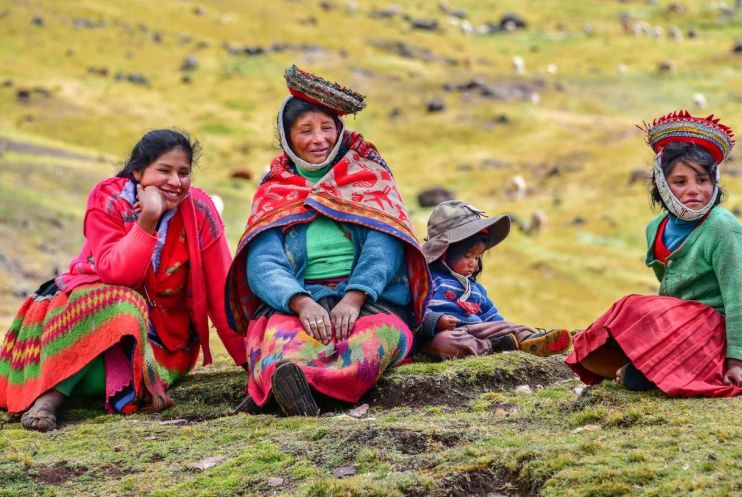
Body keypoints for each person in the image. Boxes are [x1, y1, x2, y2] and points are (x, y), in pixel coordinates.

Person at [0, 129, 246, 431]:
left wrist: (251, 362)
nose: (176, 181)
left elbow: (223, 291)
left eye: (184, 173)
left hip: (163, 346)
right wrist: (148, 220)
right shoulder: (108, 200)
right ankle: (48, 400)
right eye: (164, 171)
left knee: (118, 332)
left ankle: (57, 390)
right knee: (122, 301)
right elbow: (117, 274)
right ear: (138, 171)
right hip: (87, 323)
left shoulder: (200, 211)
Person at [225, 65, 430, 416]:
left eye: (327, 128)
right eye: (305, 130)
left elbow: (385, 248)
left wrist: (353, 299)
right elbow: (263, 262)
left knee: (373, 341)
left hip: (370, 302)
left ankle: (308, 390)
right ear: (287, 138)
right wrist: (301, 303)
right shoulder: (273, 190)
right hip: (296, 305)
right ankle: (294, 383)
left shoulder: (370, 177)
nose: (318, 139)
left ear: (340, 131)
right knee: (281, 344)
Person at [566, 111, 742, 397]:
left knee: (640, 313)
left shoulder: (723, 228)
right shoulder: (656, 229)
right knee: (632, 307)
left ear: (715, 182)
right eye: (680, 181)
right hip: (683, 324)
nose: (693, 190)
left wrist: (736, 361)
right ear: (661, 185)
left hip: (725, 332)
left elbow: (741, 298)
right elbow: (670, 294)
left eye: (702, 180)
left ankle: (647, 370)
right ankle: (645, 364)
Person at [419, 200, 572, 359]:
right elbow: (417, 313)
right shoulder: (430, 280)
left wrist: (502, 327)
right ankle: (496, 347)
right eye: (467, 256)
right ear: (444, 253)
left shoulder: (476, 289)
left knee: (510, 326)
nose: (474, 263)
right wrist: (437, 320)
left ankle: (534, 341)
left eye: (477, 257)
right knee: (443, 343)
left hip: (479, 329)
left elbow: (491, 316)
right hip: (449, 333)